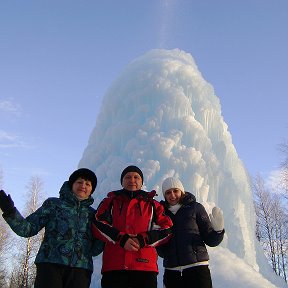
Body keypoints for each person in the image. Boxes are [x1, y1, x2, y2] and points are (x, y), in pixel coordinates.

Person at [0, 168, 104, 288]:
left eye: (88, 184)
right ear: (72, 184)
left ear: (91, 190)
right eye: (79, 182)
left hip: (81, 270)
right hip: (50, 266)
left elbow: (94, 250)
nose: (83, 186)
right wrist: (10, 211)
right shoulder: (53, 204)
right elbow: (27, 229)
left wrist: (106, 231)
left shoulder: (94, 215)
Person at [92, 165, 173, 288]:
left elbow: (167, 229)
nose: (132, 180)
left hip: (144, 267)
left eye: (136, 177)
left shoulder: (153, 205)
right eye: (128, 177)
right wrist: (121, 239)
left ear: (141, 182)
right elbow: (97, 224)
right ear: (122, 181)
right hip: (114, 266)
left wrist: (143, 239)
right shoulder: (110, 202)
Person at [158, 177, 225, 288]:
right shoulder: (161, 213)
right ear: (164, 196)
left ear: (182, 191)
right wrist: (157, 240)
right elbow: (162, 252)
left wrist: (218, 231)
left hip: (197, 268)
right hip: (172, 271)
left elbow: (210, 240)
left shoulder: (195, 208)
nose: (172, 195)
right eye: (168, 192)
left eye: (175, 190)